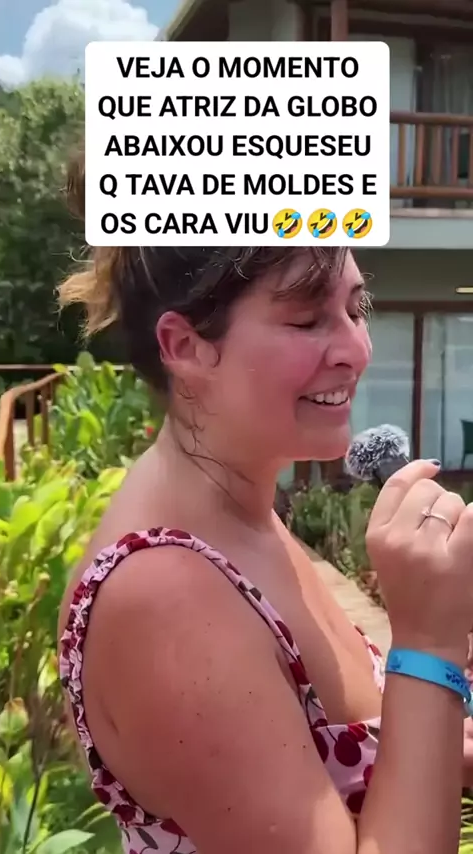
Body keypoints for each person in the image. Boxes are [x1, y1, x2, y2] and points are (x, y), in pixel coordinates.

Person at [58, 156, 473, 854]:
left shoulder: (245, 520)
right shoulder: (164, 598)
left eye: (356, 308)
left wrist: (431, 724)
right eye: (308, 319)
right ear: (185, 346)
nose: (356, 349)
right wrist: (429, 642)